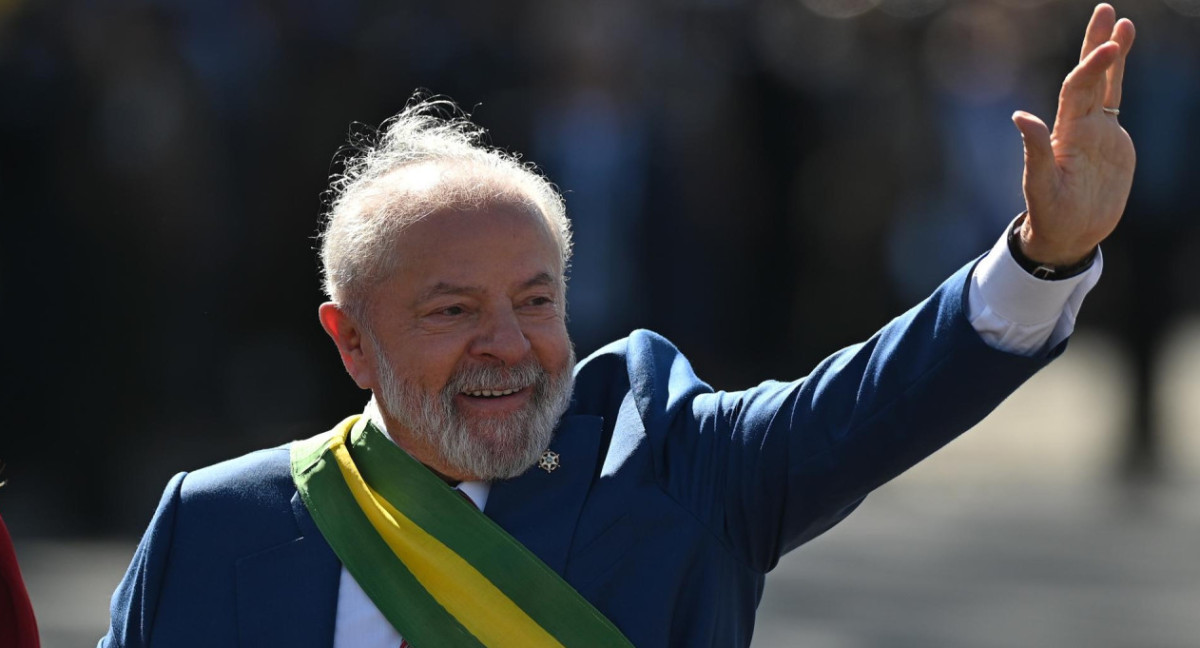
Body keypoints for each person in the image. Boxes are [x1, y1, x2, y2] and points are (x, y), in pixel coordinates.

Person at [101, 5, 1136, 647]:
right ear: (350, 341)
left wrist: (1043, 256)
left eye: (536, 299)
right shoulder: (215, 527)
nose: (508, 343)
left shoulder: (677, 467)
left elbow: (873, 401)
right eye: (453, 310)